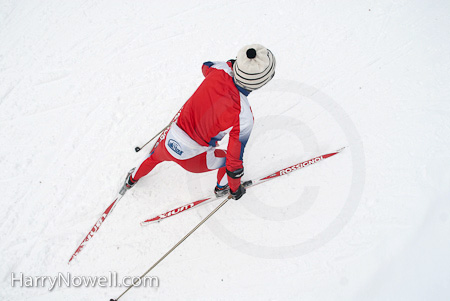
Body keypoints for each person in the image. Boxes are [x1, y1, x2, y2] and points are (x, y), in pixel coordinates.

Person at [123, 44, 276, 200]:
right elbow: (233, 161)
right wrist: (235, 188)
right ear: (260, 83)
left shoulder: (220, 69)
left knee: (153, 158)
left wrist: (232, 65)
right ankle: (221, 188)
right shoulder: (244, 116)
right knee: (225, 162)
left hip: (169, 140)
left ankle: (131, 180)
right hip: (194, 158)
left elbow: (205, 66)